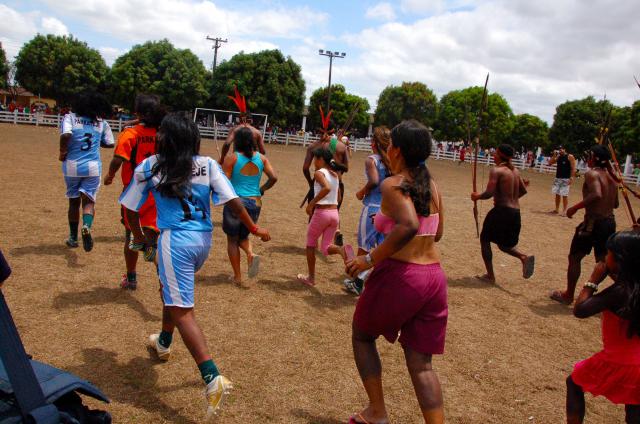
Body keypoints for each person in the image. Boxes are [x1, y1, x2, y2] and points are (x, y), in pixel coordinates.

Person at [119, 114, 271, 418]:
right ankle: (163, 342)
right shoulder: (208, 164)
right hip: (203, 242)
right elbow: (233, 202)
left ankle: (212, 377)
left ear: (166, 138)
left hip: (174, 241)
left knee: (181, 307)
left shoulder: (150, 166)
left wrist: (139, 239)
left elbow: (129, 209)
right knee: (171, 291)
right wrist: (253, 230)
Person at [344, 120, 446, 424]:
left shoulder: (393, 184)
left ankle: (377, 411)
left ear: (396, 150)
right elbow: (436, 233)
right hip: (435, 279)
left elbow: (409, 225)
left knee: (362, 336)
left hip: (403, 275)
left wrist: (369, 260)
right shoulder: (433, 186)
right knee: (421, 365)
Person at [564, 230, 640, 424]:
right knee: (634, 409)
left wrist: (593, 280)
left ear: (621, 260)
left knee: (574, 383)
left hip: (621, 361)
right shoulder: (632, 287)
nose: (605, 259)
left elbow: (580, 310)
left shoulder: (620, 291)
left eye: (609, 254)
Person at [104, 94, 166, 290]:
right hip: (156, 192)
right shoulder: (162, 133)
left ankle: (131, 277)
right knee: (152, 237)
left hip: (134, 192)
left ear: (138, 113)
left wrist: (110, 175)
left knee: (130, 235)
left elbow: (118, 159)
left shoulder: (130, 134)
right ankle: (163, 280)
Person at [550, 145, 618, 305]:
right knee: (606, 261)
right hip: (609, 223)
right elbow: (615, 204)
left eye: (590, 156)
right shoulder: (612, 178)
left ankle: (568, 295)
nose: (587, 158)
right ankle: (631, 290)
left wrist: (574, 208)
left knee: (575, 257)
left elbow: (596, 194)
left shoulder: (592, 174)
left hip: (592, 224)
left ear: (594, 158)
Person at [222, 126, 278, 285]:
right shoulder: (262, 158)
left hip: (236, 203)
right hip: (255, 202)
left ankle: (237, 277)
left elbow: (224, 183)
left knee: (232, 240)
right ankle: (250, 253)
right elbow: (274, 177)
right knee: (243, 236)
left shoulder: (232, 158)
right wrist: (262, 189)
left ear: (237, 141)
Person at [59, 91, 114, 251]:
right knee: (89, 202)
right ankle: (87, 226)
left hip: (72, 166)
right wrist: (97, 142)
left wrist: (62, 151)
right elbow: (110, 143)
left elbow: (66, 134)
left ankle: (72, 237)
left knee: (73, 202)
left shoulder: (70, 117)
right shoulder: (100, 122)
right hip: (92, 167)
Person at [471, 144, 535, 283]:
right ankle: (523, 257)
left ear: (500, 155)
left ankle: (490, 276)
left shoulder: (497, 170)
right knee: (503, 245)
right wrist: (510, 198)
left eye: (495, 153)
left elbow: (489, 193)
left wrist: (477, 196)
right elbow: (523, 191)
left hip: (501, 211)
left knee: (485, 239)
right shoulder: (515, 171)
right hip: (515, 212)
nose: (493, 155)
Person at [343, 126, 391, 295]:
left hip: (372, 208)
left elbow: (374, 180)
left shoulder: (372, 160)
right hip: (388, 210)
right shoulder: (392, 160)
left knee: (364, 247)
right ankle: (382, 282)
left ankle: (357, 282)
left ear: (374, 143)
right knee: (383, 247)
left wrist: (362, 191)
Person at [297, 148, 347, 286]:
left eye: (315, 159)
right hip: (334, 214)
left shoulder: (319, 173)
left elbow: (326, 188)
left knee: (310, 244)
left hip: (322, 213)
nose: (313, 162)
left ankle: (311, 278)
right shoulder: (335, 174)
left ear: (320, 159)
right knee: (326, 248)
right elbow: (339, 196)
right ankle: (341, 249)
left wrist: (311, 204)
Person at [303, 130, 349, 245]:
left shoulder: (314, 146)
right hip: (337, 182)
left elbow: (305, 168)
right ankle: (336, 231)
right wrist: (335, 178)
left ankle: (313, 243)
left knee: (314, 212)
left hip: (320, 182)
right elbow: (346, 167)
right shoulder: (341, 146)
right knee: (334, 210)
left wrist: (310, 182)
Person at [548, 146, 576, 216]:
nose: (560, 151)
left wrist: (571, 178)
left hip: (566, 179)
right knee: (557, 194)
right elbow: (550, 163)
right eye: (559, 150)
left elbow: (573, 168)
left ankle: (565, 211)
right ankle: (556, 209)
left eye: (561, 149)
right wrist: (554, 155)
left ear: (564, 149)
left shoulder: (570, 156)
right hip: (558, 178)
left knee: (564, 195)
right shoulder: (558, 157)